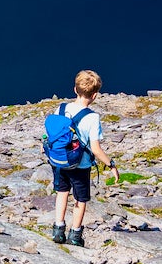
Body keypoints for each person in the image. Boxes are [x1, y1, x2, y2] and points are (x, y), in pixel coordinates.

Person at [50, 69, 119, 247]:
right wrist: (110, 164)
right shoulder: (92, 118)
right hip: (80, 165)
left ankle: (58, 230)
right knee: (80, 199)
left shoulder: (61, 108)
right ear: (95, 95)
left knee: (62, 192)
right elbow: (95, 148)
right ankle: (75, 235)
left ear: (75, 89)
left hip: (59, 160)